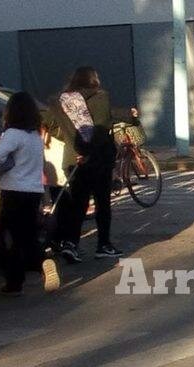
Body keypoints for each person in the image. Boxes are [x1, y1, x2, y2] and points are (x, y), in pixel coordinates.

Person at [42, 66, 138, 263]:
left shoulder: (62, 100)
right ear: (94, 80)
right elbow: (101, 127)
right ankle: (103, 245)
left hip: (72, 158)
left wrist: (71, 140)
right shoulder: (100, 97)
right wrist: (89, 150)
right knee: (102, 202)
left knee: (78, 203)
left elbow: (50, 124)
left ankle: (71, 244)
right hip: (97, 158)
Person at [0, 92, 59, 296]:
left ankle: (14, 282)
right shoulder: (35, 136)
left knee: (9, 238)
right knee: (28, 234)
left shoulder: (13, 135)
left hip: (13, 190)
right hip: (33, 190)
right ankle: (42, 262)